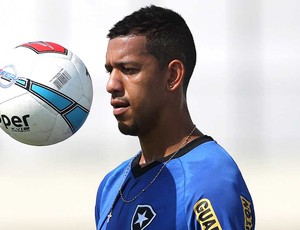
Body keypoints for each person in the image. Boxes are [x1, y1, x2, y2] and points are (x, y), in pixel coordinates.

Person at [95, 5, 255, 230]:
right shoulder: (112, 184)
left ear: (172, 75)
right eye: (109, 71)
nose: (111, 84)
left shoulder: (210, 183)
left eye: (129, 69)